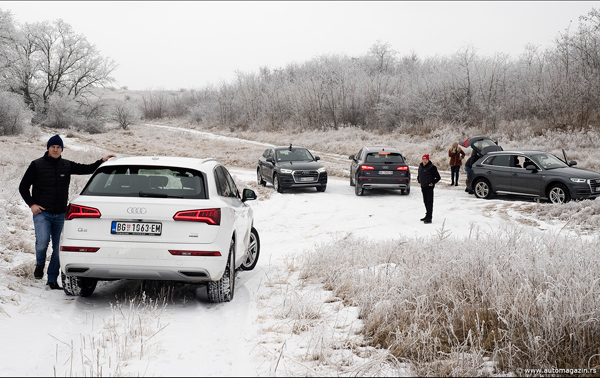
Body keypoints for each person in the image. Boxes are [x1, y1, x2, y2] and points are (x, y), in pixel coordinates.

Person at [19, 135, 116, 290]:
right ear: (48, 148)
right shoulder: (36, 165)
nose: (55, 149)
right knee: (42, 242)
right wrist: (32, 205)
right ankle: (40, 263)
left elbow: (87, 169)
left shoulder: (67, 165)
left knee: (58, 248)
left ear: (62, 149)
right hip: (42, 213)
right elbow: (23, 187)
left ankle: (52, 279)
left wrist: (101, 161)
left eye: (58, 147)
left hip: (61, 214)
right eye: (53, 147)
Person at [417, 154, 441, 224]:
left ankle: (429, 218)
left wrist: (432, 183)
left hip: (429, 187)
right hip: (423, 187)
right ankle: (427, 215)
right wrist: (419, 181)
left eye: (426, 160)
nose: (424, 161)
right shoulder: (421, 166)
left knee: (429, 202)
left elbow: (438, 177)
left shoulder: (432, 167)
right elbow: (419, 175)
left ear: (428, 160)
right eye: (423, 159)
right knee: (425, 201)